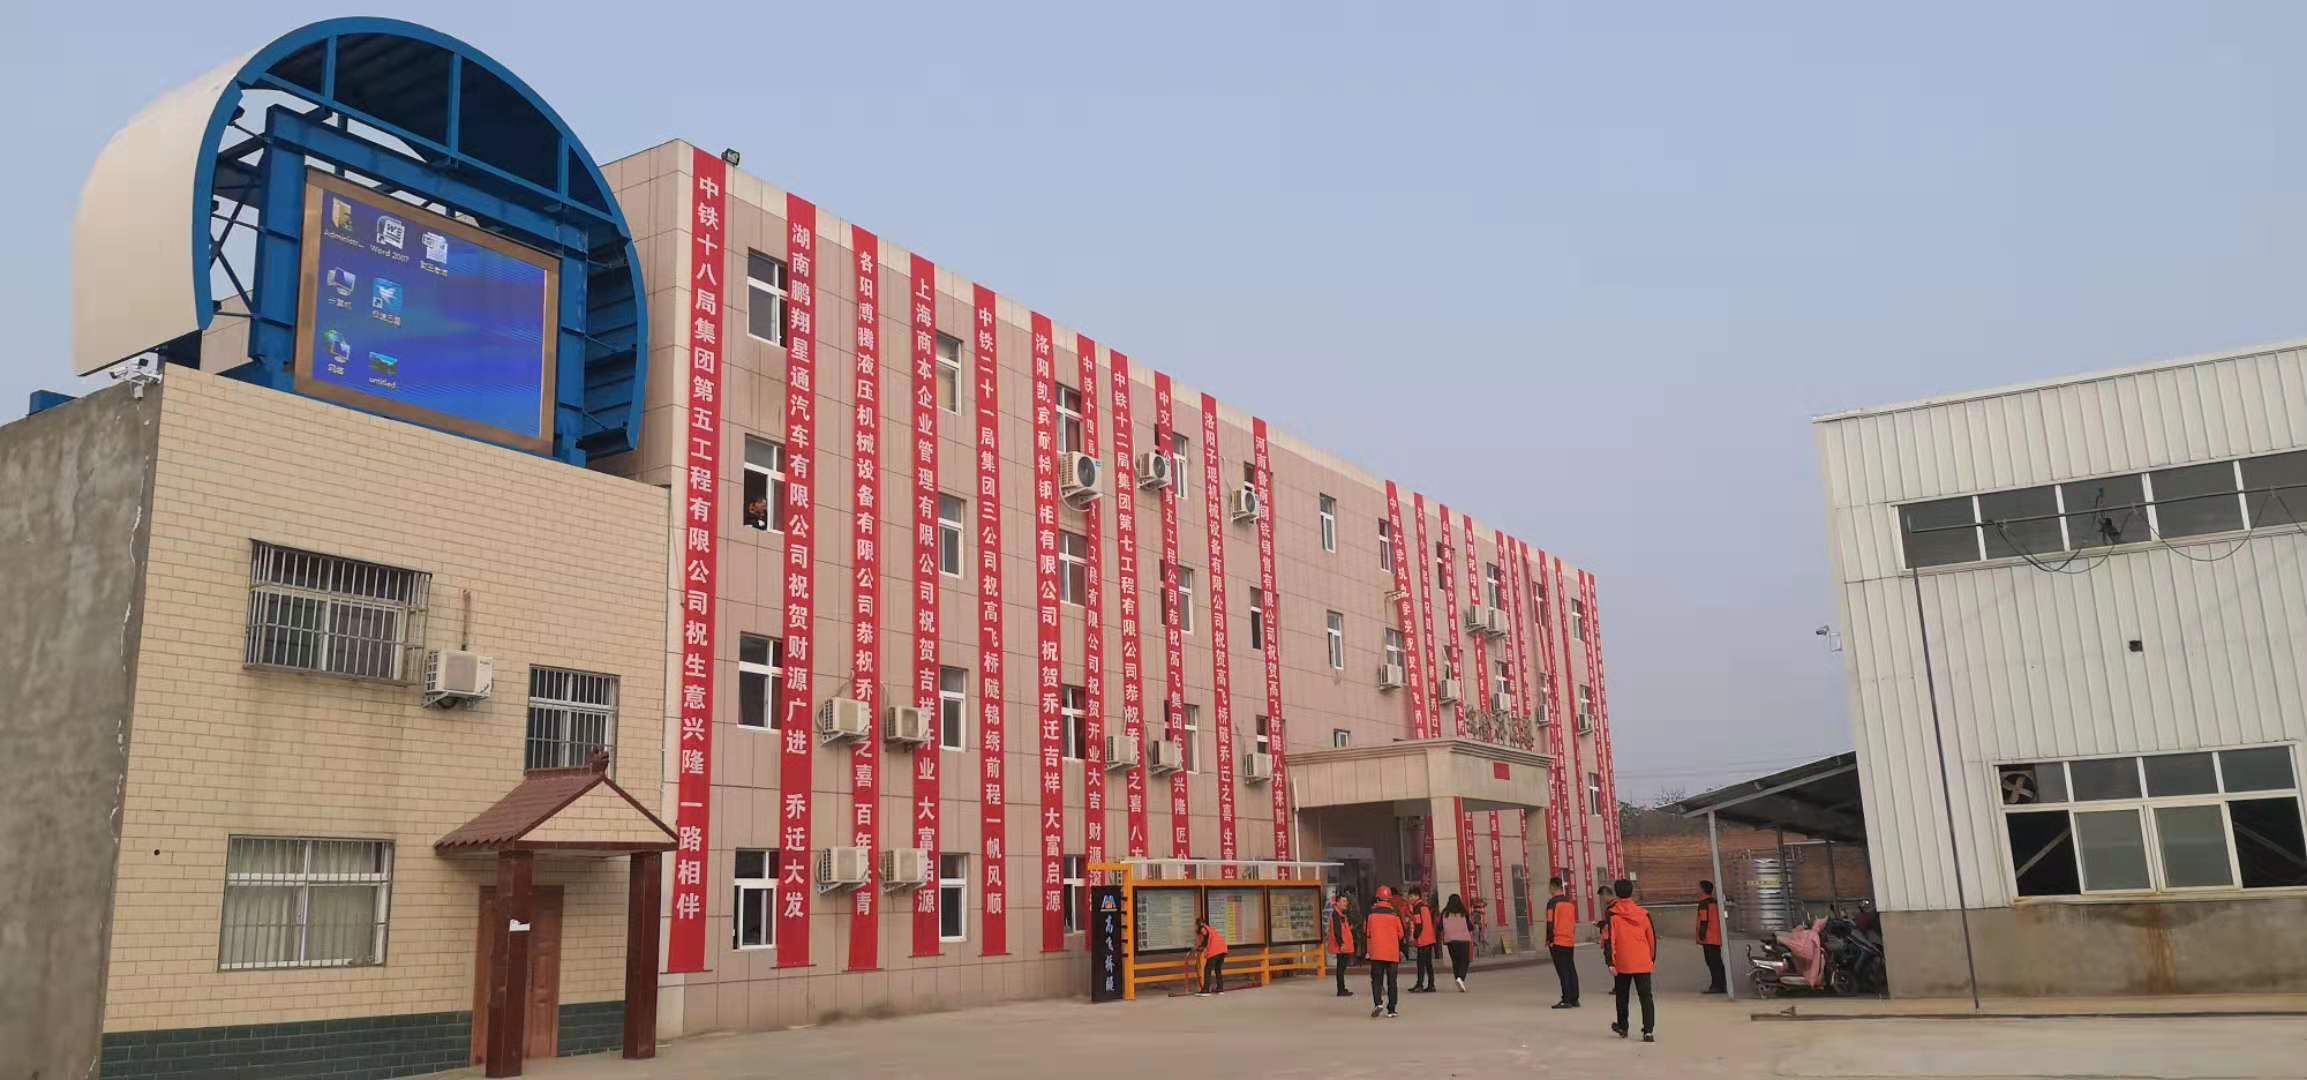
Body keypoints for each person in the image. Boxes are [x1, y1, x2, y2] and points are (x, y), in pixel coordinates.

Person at [1604, 878, 1657, 1042]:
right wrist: (1651, 959)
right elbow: (1651, 939)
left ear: (1616, 893)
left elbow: (1609, 939)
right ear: (1631, 892)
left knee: (1622, 995)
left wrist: (1610, 962)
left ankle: (1623, 1027)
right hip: (1643, 961)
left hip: (1622, 962)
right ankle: (1648, 1031)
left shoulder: (1613, 914)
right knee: (1646, 997)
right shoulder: (1643, 914)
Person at [1363, 885, 1405, 1018]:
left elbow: (1367, 933)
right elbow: (1401, 934)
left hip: (1377, 953)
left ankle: (1378, 1003)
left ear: (1377, 898)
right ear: (1389, 899)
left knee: (1377, 980)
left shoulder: (1371, 915)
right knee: (1392, 982)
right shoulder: (1394, 915)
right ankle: (1392, 1009)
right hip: (1392, 954)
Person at [1544, 875, 1581, 1008]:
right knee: (1571, 969)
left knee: (1563, 971)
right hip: (1569, 940)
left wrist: (1549, 939)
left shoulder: (1552, 903)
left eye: (1549, 887)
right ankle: (1574, 998)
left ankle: (1566, 999)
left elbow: (1550, 922)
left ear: (1553, 887)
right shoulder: (1569, 902)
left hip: (1558, 940)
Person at [1405, 886, 1439, 992]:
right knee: (1428, 964)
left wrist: (1414, 937)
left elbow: (1419, 925)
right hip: (1430, 938)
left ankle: (1419, 985)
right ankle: (1431, 985)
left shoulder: (1417, 908)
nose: (1410, 899)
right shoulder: (1425, 906)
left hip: (1423, 940)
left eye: (1411, 896)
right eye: (1409, 897)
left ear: (1417, 896)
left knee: (1420, 964)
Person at [1439, 893, 1475, 991]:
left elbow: (1439, 926)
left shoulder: (1444, 913)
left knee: (1455, 961)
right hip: (1463, 940)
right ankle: (1460, 978)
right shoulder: (1463, 912)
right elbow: (1470, 926)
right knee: (1465, 960)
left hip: (1450, 940)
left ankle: (1458, 980)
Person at [1696, 879, 1726, 994]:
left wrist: (1701, 935)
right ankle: (1721, 984)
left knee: (1712, 962)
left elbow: (1704, 920)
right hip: (1715, 936)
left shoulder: (1703, 904)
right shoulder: (1713, 902)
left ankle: (1717, 986)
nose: (1696, 890)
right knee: (1717, 962)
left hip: (1709, 938)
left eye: (1698, 887)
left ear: (1703, 890)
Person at [1328, 892, 1358, 997]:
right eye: (1343, 901)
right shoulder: (1336, 914)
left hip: (1343, 944)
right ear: (1337, 902)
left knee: (1342, 967)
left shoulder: (1341, 914)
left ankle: (1342, 988)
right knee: (1341, 968)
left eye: (1346, 901)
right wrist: (1341, 943)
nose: (1346, 903)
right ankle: (1341, 990)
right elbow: (1337, 930)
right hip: (1341, 945)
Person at [1195, 916, 1228, 996]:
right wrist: (1202, 946)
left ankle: (1206, 990)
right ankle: (1220, 989)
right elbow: (1208, 939)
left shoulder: (1203, 927)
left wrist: (1201, 947)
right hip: (1223, 949)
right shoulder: (1211, 929)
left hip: (1215, 950)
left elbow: (1206, 939)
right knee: (1217, 969)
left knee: (1207, 969)